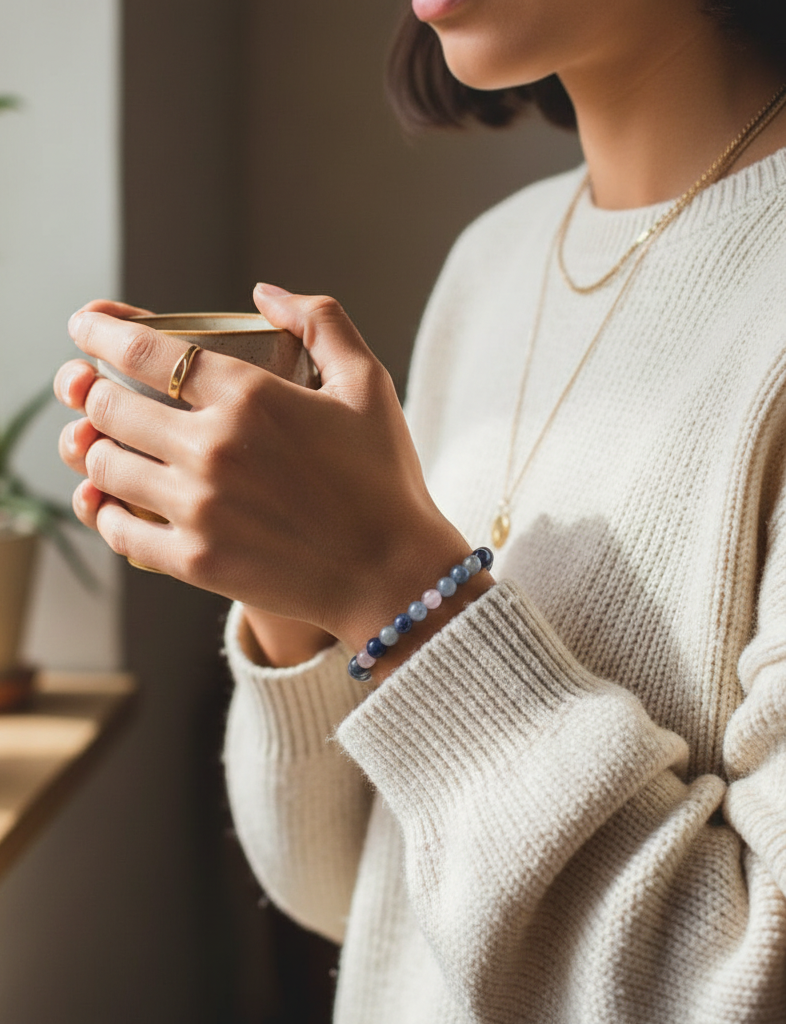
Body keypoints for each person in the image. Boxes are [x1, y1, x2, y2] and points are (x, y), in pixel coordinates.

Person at [53, 0, 786, 1019]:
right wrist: (292, 592)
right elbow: (350, 892)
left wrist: (390, 583)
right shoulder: (495, 260)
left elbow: (743, 985)